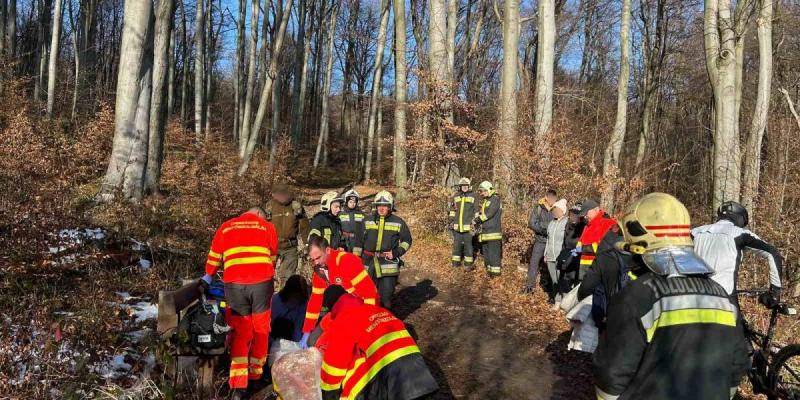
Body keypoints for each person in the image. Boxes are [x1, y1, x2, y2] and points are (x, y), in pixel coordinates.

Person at [593, 193, 749, 400]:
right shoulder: (722, 297)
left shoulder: (638, 296)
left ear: (639, 246)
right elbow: (736, 368)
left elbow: (612, 376)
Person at [202, 207, 278, 398]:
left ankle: (238, 386)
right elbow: (273, 255)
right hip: (261, 284)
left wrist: (208, 276)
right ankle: (255, 375)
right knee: (260, 328)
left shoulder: (226, 227)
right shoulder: (266, 226)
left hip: (235, 285)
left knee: (240, 331)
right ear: (260, 215)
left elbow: (214, 256)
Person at [315, 286, 439, 400]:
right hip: (416, 368)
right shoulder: (378, 310)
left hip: (381, 377)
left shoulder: (343, 321)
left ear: (332, 308)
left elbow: (334, 363)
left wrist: (328, 393)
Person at [692, 201, 783, 301]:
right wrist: (775, 292)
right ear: (740, 218)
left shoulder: (695, 232)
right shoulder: (740, 233)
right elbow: (772, 253)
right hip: (724, 298)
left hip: (693, 296)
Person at [299, 235, 380, 349]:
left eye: (318, 258)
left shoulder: (347, 261)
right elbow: (315, 301)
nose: (316, 262)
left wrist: (367, 323)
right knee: (312, 342)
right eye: (313, 260)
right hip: (339, 310)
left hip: (360, 309)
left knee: (337, 345)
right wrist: (307, 330)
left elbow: (369, 294)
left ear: (327, 250)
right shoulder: (319, 271)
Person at [362, 190, 412, 309]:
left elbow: (407, 241)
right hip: (368, 264)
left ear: (390, 207)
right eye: (379, 205)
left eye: (385, 205)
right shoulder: (367, 220)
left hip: (388, 265)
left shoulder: (398, 222)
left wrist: (396, 252)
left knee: (386, 298)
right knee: (366, 297)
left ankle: (386, 324)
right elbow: (358, 241)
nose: (382, 208)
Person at [264, 183, 310, 288]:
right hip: (272, 246)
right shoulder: (269, 207)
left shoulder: (296, 207)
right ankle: (267, 299)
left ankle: (283, 299)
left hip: (290, 246)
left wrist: (308, 244)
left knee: (288, 277)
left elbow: (305, 227)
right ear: (273, 194)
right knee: (266, 275)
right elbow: (263, 227)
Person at [523, 189, 557, 293]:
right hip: (539, 241)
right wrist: (542, 230)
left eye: (554, 199)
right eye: (551, 198)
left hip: (552, 242)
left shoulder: (557, 209)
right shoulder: (538, 208)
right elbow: (531, 223)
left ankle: (551, 290)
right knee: (533, 264)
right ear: (546, 197)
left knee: (551, 265)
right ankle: (529, 287)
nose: (553, 201)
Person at [576, 199, 618, 280]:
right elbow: (581, 244)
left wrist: (586, 248)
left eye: (586, 213)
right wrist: (578, 248)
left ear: (596, 209)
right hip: (584, 270)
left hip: (599, 271)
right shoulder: (587, 226)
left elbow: (611, 248)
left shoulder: (608, 223)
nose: (585, 216)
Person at [474, 181, 503, 277]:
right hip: (485, 233)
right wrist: (477, 216)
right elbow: (485, 213)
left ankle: (495, 275)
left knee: (494, 254)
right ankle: (489, 272)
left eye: (483, 191)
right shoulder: (487, 201)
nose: (481, 193)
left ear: (489, 189)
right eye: (481, 192)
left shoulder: (495, 199)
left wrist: (479, 219)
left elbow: (490, 213)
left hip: (493, 233)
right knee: (487, 255)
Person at [270, 275, 309, 343]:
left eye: (300, 297)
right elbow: (269, 325)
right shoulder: (276, 301)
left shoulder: (303, 304)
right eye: (295, 296)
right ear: (288, 292)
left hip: (290, 339)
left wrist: (296, 346)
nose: (297, 299)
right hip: (273, 336)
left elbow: (297, 328)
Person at [543, 199, 568, 303]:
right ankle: (557, 301)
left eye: (556, 209)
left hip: (560, 256)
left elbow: (567, 241)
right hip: (550, 256)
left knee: (561, 280)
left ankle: (565, 301)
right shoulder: (551, 223)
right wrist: (545, 254)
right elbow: (548, 240)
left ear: (562, 210)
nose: (554, 211)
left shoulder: (566, 223)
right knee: (554, 280)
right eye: (553, 209)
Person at [556, 205, 586, 291]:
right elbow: (564, 242)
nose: (572, 217)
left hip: (575, 259)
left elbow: (580, 246)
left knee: (571, 283)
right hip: (565, 256)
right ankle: (559, 300)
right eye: (571, 214)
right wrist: (562, 256)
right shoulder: (568, 225)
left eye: (575, 215)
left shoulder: (583, 228)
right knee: (562, 281)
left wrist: (572, 256)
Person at [449, 177, 476, 269]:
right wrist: (451, 220)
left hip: (468, 227)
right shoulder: (456, 196)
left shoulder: (474, 196)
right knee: (457, 246)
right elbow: (452, 210)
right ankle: (455, 263)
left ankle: (468, 265)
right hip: (457, 227)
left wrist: (475, 223)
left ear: (469, 186)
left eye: (466, 186)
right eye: (463, 186)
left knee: (468, 246)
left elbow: (476, 211)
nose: (464, 187)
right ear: (460, 187)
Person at [339, 189, 366, 256]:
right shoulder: (341, 214)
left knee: (357, 259)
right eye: (350, 202)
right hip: (344, 242)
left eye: (354, 202)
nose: (352, 204)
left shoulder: (361, 214)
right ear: (346, 201)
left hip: (357, 242)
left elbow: (365, 228)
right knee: (345, 260)